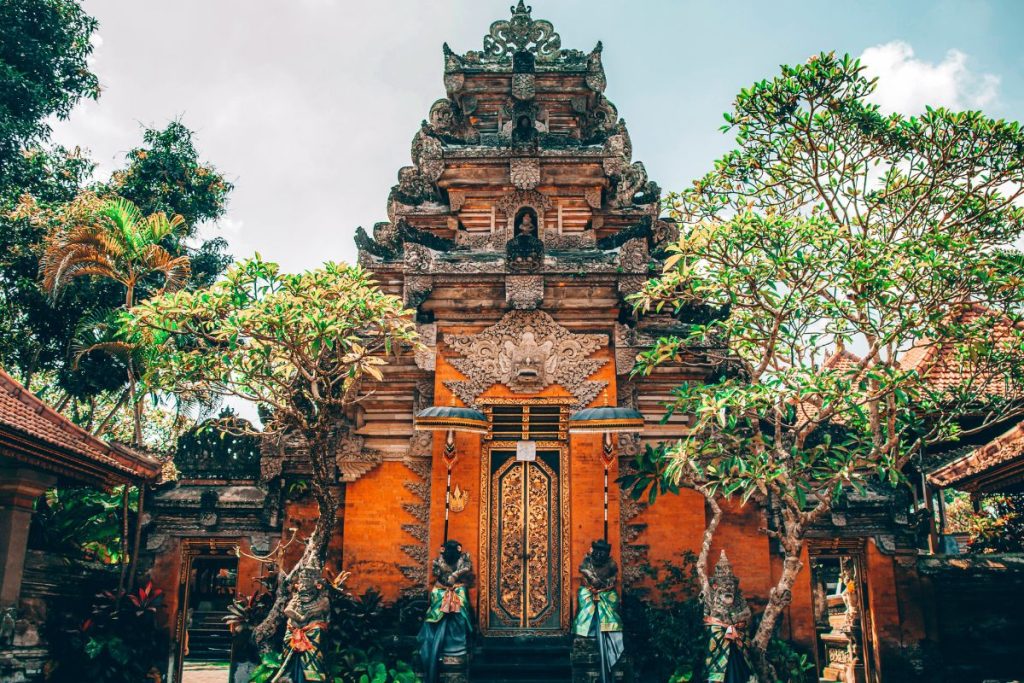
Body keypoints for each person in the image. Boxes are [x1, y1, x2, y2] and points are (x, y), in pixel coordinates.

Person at [418, 540, 474, 682]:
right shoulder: (439, 561)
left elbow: (467, 567)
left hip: (458, 589)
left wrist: (455, 575)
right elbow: (437, 572)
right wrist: (442, 561)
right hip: (441, 590)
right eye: (446, 550)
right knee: (436, 616)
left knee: (459, 613)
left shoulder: (463, 559)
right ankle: (439, 646)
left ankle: (459, 645)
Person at [573, 539, 624, 683]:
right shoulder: (586, 563)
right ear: (593, 551)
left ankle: (609, 631)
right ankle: (586, 632)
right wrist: (591, 584)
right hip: (590, 591)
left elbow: (613, 578)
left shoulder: (611, 564)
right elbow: (584, 573)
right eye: (598, 552)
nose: (600, 555)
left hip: (606, 592)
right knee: (584, 598)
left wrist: (605, 586)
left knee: (612, 599)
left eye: (604, 552)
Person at [272, 565, 330, 683]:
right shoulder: (296, 598)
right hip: (294, 630)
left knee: (316, 637)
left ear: (317, 586)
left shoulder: (323, 600)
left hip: (313, 631)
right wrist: (301, 618)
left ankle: (314, 675)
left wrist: (310, 620)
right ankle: (288, 674)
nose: (304, 589)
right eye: (302, 585)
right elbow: (288, 610)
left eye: (308, 587)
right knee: (288, 644)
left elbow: (324, 614)